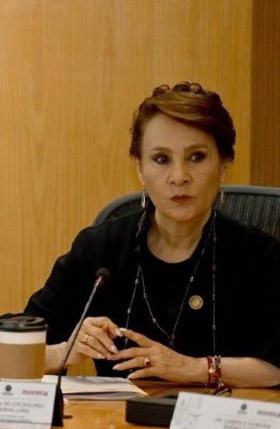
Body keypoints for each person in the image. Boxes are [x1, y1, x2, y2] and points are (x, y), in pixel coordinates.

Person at [25, 83, 280, 388]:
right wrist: (65, 350)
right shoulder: (101, 251)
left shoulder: (260, 256)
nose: (179, 176)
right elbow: (10, 351)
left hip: (222, 417)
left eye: (197, 157)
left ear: (223, 164)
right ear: (140, 168)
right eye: (161, 159)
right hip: (119, 418)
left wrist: (194, 368)